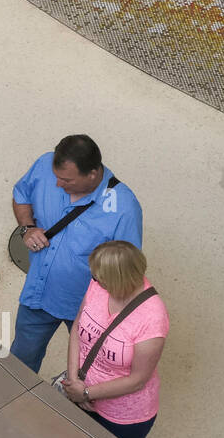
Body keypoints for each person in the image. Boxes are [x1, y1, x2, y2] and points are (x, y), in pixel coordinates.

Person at [9, 134, 142, 373]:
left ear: (92, 174)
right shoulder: (44, 166)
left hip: (89, 313)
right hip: (38, 294)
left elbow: (128, 272)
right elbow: (21, 196)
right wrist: (27, 228)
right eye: (57, 177)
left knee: (87, 373)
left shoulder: (124, 208)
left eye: (67, 180)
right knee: (18, 365)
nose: (58, 184)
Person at [60, 241, 169, 438]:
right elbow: (77, 328)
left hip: (121, 418)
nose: (95, 281)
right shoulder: (99, 284)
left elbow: (137, 380)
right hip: (79, 390)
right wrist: (74, 381)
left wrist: (86, 393)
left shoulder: (152, 318)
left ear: (118, 279)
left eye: (99, 278)